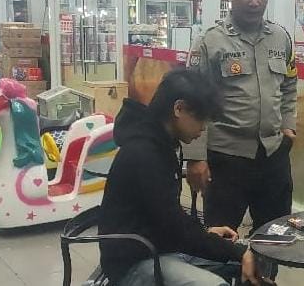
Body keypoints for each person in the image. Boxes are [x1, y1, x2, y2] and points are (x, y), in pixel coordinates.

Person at [98, 69, 261, 286]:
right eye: (200, 118)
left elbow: (170, 218)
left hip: (160, 245)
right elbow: (174, 226)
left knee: (256, 262)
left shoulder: (163, 143)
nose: (203, 128)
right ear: (179, 108)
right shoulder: (143, 153)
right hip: (134, 261)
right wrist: (234, 250)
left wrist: (208, 235)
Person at [185, 0, 298, 237]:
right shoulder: (209, 42)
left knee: (276, 236)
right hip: (226, 159)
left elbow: (289, 85)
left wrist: (288, 126)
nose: (254, 2)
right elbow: (192, 101)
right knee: (221, 239)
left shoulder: (280, 38)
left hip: (273, 156)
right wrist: (195, 158)